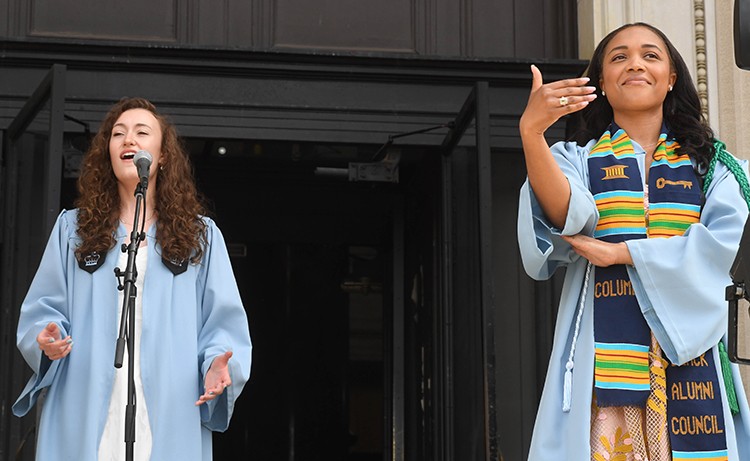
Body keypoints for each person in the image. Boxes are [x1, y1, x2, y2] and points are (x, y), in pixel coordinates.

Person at [518, 22, 750, 460]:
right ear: (602, 82)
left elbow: (726, 248)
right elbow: (567, 211)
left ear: (672, 77)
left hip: (690, 353)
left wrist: (623, 252)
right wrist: (532, 135)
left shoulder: (716, 168)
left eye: (650, 55)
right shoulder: (577, 160)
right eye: (619, 57)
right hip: (606, 368)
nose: (635, 64)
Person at [12, 97, 252, 460]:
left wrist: (219, 364)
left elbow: (223, 325)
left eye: (142, 132)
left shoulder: (199, 236)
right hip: (86, 398)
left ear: (163, 155)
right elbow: (43, 310)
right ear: (107, 152)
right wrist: (47, 336)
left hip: (169, 403)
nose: (128, 140)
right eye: (118, 134)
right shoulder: (73, 230)